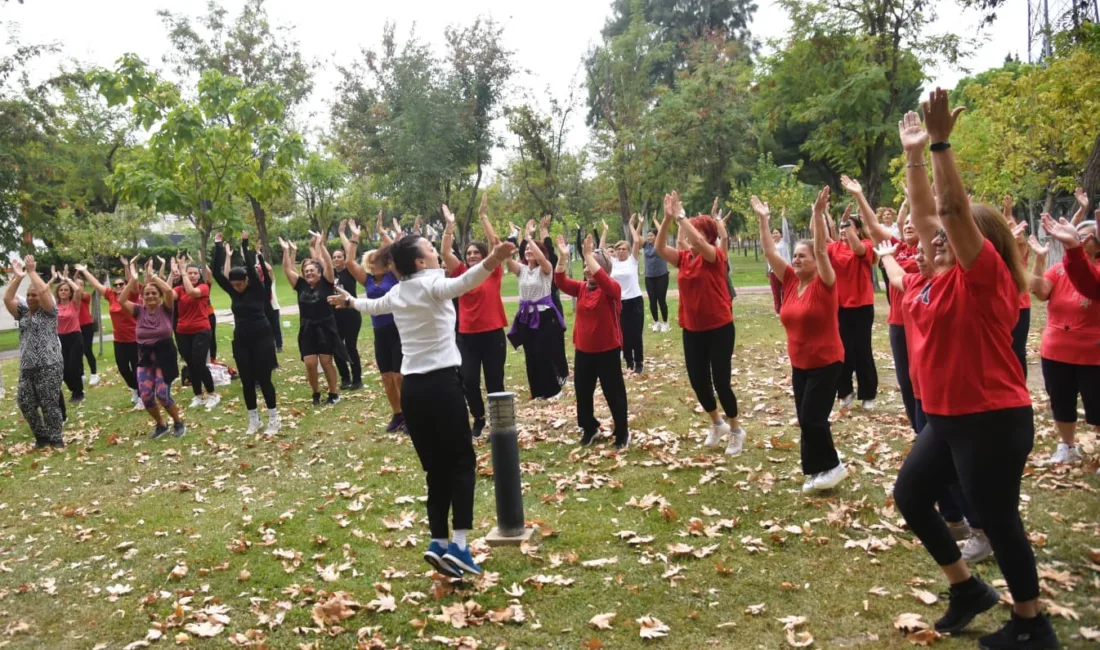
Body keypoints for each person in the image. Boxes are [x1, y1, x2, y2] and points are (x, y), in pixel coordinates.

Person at [891, 92, 1058, 648]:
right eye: (932, 237)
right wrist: (914, 155)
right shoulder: (929, 280)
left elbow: (954, 212)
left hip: (991, 418)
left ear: (977, 248)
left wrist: (940, 146)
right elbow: (926, 215)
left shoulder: (982, 280)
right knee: (912, 496)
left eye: (945, 239)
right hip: (947, 418)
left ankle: (1033, 624)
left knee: (996, 518)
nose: (931, 239)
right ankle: (967, 590)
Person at [330, 228, 515, 579]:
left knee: (436, 469)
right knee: (461, 462)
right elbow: (463, 283)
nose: (435, 252)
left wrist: (350, 302)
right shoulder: (431, 285)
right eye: (431, 249)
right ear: (420, 261)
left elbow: (373, 305)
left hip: (412, 392)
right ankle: (460, 545)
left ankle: (437, 543)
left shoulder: (399, 291)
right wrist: (493, 259)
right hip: (442, 386)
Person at [755, 191, 849, 492]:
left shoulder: (825, 281)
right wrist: (763, 219)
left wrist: (819, 215)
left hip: (826, 361)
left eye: (801, 256)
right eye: (794, 255)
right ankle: (815, 470)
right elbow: (770, 252)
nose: (795, 259)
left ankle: (833, 466)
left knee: (812, 418)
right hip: (800, 363)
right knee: (805, 418)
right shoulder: (792, 280)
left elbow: (822, 251)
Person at [654, 191, 746, 456]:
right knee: (698, 381)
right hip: (692, 329)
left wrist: (682, 217)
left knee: (721, 382)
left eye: (695, 232)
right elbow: (660, 248)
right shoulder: (684, 259)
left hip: (719, 328)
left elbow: (695, 239)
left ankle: (736, 430)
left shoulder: (715, 256)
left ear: (707, 236)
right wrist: (668, 218)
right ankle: (717, 423)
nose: (687, 237)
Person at [842, 175, 919, 427]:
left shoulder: (930, 249)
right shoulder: (897, 247)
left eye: (913, 223)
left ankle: (930, 426)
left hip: (922, 323)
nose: (908, 225)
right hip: (898, 323)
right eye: (905, 222)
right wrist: (859, 195)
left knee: (922, 378)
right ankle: (918, 427)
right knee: (905, 380)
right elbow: (874, 227)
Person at [1027, 222, 1100, 464]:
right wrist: (1039, 259)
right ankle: (1068, 447)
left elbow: (1088, 281)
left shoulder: (1094, 272)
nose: (1082, 239)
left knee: (1097, 403)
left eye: (1085, 236)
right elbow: (1039, 290)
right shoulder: (1060, 270)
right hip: (1056, 350)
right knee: (1061, 400)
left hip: (1094, 354)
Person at [442, 195, 508, 438]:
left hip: (492, 335)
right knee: (468, 380)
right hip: (467, 336)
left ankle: (498, 424)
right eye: (468, 253)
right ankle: (479, 417)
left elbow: (495, 244)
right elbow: (445, 252)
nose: (471, 256)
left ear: (483, 255)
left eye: (476, 253)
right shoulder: (460, 273)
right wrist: (449, 226)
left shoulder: (492, 272)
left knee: (495, 382)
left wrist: (483, 216)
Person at [555, 233, 630, 449]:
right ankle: (590, 428)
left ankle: (622, 432)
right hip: (584, 350)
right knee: (583, 391)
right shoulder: (580, 288)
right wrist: (562, 258)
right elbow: (559, 281)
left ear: (603, 268)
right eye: (586, 266)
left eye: (592, 266)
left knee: (613, 393)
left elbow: (603, 278)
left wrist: (588, 255)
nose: (587, 270)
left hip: (608, 350)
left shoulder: (612, 289)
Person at [340, 218, 406, 433]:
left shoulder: (394, 276)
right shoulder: (367, 280)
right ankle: (397, 414)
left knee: (399, 377)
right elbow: (350, 263)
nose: (370, 265)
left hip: (397, 330)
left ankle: (410, 414)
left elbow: (395, 250)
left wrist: (383, 232)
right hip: (380, 332)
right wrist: (354, 238)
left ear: (385, 263)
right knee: (387, 377)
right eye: (369, 262)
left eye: (374, 261)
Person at [212, 233, 280, 435]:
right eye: (233, 284)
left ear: (247, 280)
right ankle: (254, 420)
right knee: (247, 380)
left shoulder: (257, 288)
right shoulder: (233, 291)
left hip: (262, 337)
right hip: (242, 340)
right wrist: (217, 247)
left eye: (240, 283)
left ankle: (274, 419)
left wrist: (244, 244)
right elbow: (216, 273)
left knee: (264, 379)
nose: (236, 287)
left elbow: (251, 268)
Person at [119, 259, 186, 440]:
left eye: (153, 294)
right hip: (145, 357)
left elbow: (169, 291)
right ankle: (161, 425)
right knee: (147, 396)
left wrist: (154, 277)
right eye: (147, 294)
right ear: (142, 296)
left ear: (159, 296)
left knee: (163, 395)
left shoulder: (167, 308)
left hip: (165, 356)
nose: (150, 297)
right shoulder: (138, 311)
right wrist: (132, 280)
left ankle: (178, 422)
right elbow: (121, 300)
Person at [280, 232, 347, 406]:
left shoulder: (327, 282)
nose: (309, 273)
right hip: (307, 328)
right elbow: (287, 269)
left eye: (312, 270)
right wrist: (286, 251)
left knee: (326, 362)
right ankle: (316, 393)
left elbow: (329, 265)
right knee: (310, 363)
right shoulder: (300, 284)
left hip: (326, 327)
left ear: (319, 272)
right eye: (306, 271)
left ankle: (333, 393)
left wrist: (321, 244)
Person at [6, 256, 65, 449]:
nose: (32, 297)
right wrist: (19, 278)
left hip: (49, 364)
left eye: (35, 295)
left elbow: (45, 291)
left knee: (49, 403)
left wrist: (32, 272)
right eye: (29, 295)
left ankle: (56, 439)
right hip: (27, 366)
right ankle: (41, 436)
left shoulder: (49, 312)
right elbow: (7, 298)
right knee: (25, 402)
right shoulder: (22, 312)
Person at [828, 191, 878, 410]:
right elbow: (818, 241)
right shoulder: (834, 248)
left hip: (862, 306)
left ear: (857, 230)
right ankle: (845, 391)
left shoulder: (866, 245)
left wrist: (847, 224)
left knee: (862, 351)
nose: (842, 231)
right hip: (840, 307)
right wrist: (819, 214)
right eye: (841, 228)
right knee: (842, 350)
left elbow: (857, 249)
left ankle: (868, 394)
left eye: (847, 227)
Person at [506, 218, 564, 401]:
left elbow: (540, 257)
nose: (529, 251)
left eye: (532, 249)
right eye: (527, 250)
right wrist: (513, 236)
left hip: (545, 315)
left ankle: (553, 390)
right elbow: (507, 258)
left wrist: (530, 238)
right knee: (530, 354)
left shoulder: (546, 269)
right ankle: (537, 391)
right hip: (526, 316)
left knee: (543, 353)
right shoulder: (521, 269)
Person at [76, 263, 141, 407]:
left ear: (126, 285)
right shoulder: (111, 295)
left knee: (137, 368)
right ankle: (135, 389)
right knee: (123, 368)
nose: (118, 287)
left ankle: (142, 396)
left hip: (134, 339)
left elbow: (134, 285)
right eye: (116, 285)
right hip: (119, 340)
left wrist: (129, 271)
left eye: (121, 284)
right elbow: (96, 284)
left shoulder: (132, 295)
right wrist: (85, 271)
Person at [171, 256, 220, 410]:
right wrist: (172, 274)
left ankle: (212, 394)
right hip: (182, 331)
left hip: (201, 330)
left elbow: (192, 293)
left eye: (195, 273)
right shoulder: (179, 290)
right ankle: (198, 395)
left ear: (199, 276)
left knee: (199, 363)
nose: (192, 275)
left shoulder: (203, 288)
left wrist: (184, 272)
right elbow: (167, 294)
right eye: (189, 273)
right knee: (191, 365)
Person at [604, 216, 645, 374]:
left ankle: (639, 361)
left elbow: (636, 241)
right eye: (618, 249)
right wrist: (605, 232)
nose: (621, 251)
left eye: (624, 249)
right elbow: (601, 250)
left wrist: (632, 226)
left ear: (628, 251)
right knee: (624, 334)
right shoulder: (612, 263)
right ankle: (628, 361)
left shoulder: (633, 261)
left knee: (636, 334)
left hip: (634, 301)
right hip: (619, 303)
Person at [331, 226, 364, 391]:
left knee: (350, 347)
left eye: (339, 257)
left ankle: (357, 379)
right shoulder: (330, 274)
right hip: (336, 317)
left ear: (344, 259)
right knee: (337, 348)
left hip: (351, 315)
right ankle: (345, 378)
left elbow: (349, 251)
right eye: (334, 257)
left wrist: (343, 234)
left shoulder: (350, 272)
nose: (336, 259)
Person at [1003, 196, 1032, 377]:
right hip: (1001, 306)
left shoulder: (1020, 252)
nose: (1014, 230)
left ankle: (1020, 383)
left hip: (1020, 307)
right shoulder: (996, 253)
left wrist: (1008, 214)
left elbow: (1019, 240)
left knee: (1017, 351)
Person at [51, 267, 85, 404]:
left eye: (66, 290)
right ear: (58, 292)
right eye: (61, 290)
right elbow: (43, 293)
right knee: (63, 369)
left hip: (75, 337)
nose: (63, 292)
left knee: (73, 366)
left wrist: (67, 280)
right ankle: (74, 389)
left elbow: (77, 290)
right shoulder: (55, 305)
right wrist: (54, 279)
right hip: (60, 339)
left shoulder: (74, 303)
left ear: (69, 292)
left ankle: (78, 393)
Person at [642, 216, 671, 331]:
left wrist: (655, 220)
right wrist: (639, 224)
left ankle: (665, 323)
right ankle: (656, 323)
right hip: (649, 277)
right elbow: (636, 238)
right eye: (648, 236)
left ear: (656, 236)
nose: (649, 237)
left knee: (661, 300)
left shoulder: (660, 244)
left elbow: (662, 232)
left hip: (662, 276)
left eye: (651, 235)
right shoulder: (645, 245)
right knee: (652, 301)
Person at [764, 212, 792, 315]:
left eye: (777, 233)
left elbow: (785, 230)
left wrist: (783, 217)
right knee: (775, 292)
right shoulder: (770, 244)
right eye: (773, 233)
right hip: (773, 271)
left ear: (781, 234)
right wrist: (765, 220)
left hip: (785, 270)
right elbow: (764, 234)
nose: (775, 234)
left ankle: (786, 309)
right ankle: (778, 311)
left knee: (786, 291)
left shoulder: (784, 242)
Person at [76, 274, 99, 386]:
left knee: (87, 350)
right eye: (77, 284)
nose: (78, 286)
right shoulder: (72, 298)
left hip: (87, 326)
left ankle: (94, 374)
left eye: (81, 284)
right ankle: (81, 375)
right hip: (76, 327)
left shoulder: (85, 295)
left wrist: (75, 280)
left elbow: (79, 292)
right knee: (78, 352)